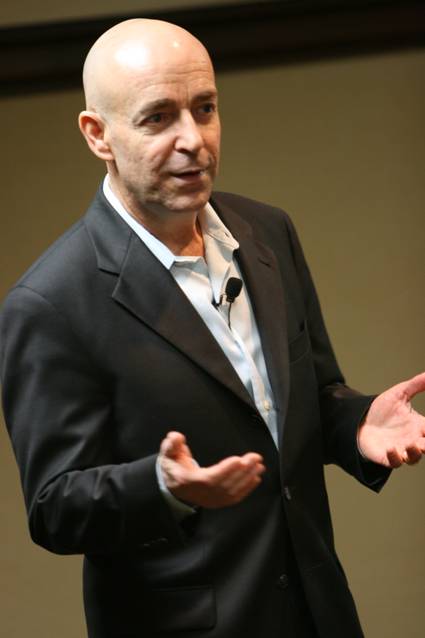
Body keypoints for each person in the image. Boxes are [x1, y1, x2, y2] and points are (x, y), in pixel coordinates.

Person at [1, 18, 424, 638]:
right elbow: (54, 507)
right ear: (98, 135)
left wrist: (357, 423)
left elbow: (309, 395)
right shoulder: (50, 302)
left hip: (318, 613)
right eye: (157, 118)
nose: (193, 140)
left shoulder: (268, 232)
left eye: (204, 109)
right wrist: (162, 486)